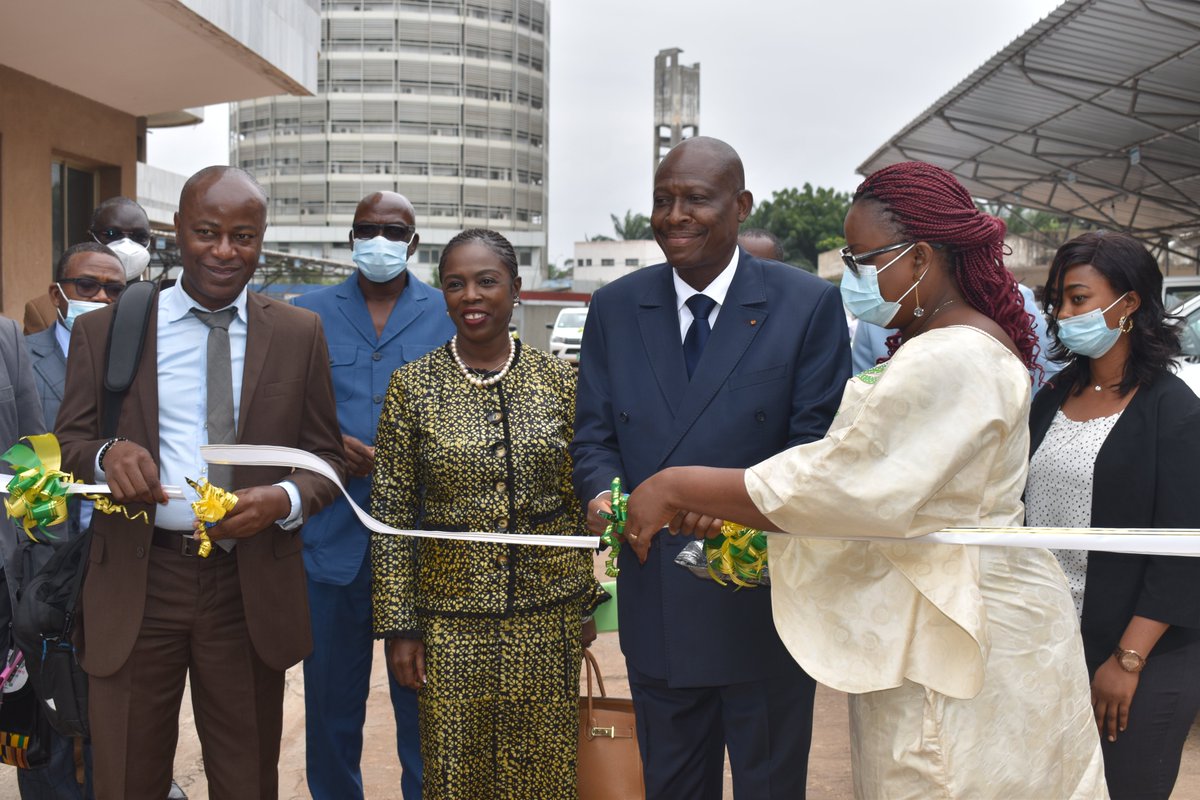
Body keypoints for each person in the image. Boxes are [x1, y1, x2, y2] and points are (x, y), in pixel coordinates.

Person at [619, 161, 1107, 799]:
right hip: (929, 613)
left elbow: (846, 483)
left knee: (944, 779)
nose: (853, 273)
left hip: (961, 625)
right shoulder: (933, 343)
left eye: (863, 257)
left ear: (921, 257)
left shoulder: (953, 355)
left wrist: (676, 486)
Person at [570, 136, 850, 799]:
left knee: (770, 786)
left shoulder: (803, 305)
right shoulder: (615, 308)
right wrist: (603, 496)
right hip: (658, 600)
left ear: (740, 205)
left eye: (696, 198)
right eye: (663, 200)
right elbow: (594, 438)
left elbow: (815, 451)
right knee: (672, 786)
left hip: (764, 607)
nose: (675, 216)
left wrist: (718, 503)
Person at [54, 166, 345, 800]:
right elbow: (69, 446)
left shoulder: (298, 335)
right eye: (207, 232)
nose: (223, 251)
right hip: (140, 580)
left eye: (242, 237)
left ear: (260, 240)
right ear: (176, 233)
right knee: (128, 778)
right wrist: (107, 455)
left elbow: (327, 458)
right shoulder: (105, 331)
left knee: (246, 782)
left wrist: (284, 499)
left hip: (245, 588)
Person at [370, 228, 605, 800]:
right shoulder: (413, 387)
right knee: (455, 777)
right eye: (455, 284)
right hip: (449, 623)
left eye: (486, 281)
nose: (470, 295)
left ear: (516, 289)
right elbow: (392, 513)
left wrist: (582, 603)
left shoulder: (562, 382)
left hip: (545, 619)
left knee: (544, 775)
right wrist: (399, 627)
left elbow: (579, 506)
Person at [1027, 231, 1200, 799]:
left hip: (1141, 653)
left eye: (1078, 299)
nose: (1062, 313)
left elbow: (1183, 550)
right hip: (1053, 641)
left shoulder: (1173, 411)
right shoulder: (1055, 395)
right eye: (1058, 300)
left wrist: (1127, 661)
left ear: (1128, 305)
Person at [293, 191, 454, 800]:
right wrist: (330, 440)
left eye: (394, 230)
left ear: (413, 244)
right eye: (368, 228)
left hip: (424, 546)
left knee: (427, 710)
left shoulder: (449, 311)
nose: (379, 240)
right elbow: (277, 409)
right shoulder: (304, 314)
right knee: (332, 709)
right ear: (351, 237)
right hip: (332, 542)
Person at [17, 241, 124, 800]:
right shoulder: (23, 358)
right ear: (59, 291)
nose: (101, 297)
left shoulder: (139, 361)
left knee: (110, 722)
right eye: (88, 286)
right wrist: (40, 555)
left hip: (118, 563)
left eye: (114, 289)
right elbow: (20, 458)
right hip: (44, 570)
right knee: (47, 718)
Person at [25, 198, 153, 335]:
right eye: (111, 234)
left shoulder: (162, 304)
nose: (126, 245)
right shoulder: (42, 310)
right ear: (90, 237)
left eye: (140, 236)